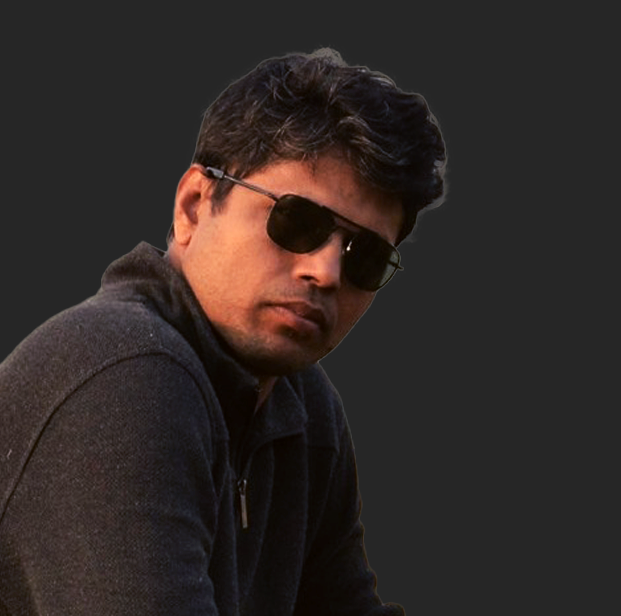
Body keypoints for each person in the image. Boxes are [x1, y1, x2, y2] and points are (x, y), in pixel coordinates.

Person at [0, 48, 447, 615]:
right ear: (194, 205)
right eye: (298, 221)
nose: (326, 272)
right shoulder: (121, 380)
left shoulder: (304, 412)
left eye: (366, 257)